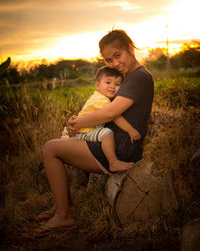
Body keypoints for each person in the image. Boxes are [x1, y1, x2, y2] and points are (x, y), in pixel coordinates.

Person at [33, 29, 154, 237]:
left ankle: (64, 216)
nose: (114, 63)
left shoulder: (139, 77)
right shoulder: (127, 77)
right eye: (109, 59)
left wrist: (79, 123)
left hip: (119, 149)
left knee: (50, 148)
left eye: (118, 55)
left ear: (130, 49)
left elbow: (112, 111)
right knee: (56, 145)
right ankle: (61, 206)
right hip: (110, 143)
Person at [62, 66, 141, 172]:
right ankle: (113, 162)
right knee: (107, 134)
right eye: (108, 83)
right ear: (97, 85)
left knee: (104, 133)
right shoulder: (102, 100)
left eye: (117, 84)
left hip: (85, 129)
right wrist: (130, 130)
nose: (112, 86)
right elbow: (115, 116)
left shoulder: (97, 96)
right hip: (86, 131)